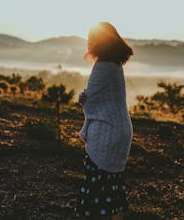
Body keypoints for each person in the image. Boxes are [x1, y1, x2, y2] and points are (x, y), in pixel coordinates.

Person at [74, 22, 134, 219]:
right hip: (122, 130)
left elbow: (89, 98)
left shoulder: (102, 67)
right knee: (113, 187)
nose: (88, 42)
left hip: (106, 132)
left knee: (97, 187)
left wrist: (80, 98)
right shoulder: (116, 66)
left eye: (90, 38)